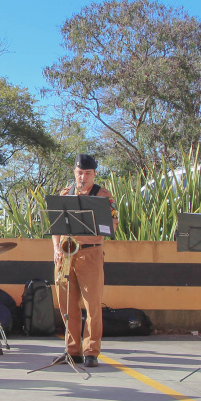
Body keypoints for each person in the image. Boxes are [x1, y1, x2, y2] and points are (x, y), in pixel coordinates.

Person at [52, 154, 118, 368]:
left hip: (90, 253)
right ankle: (73, 350)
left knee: (92, 306)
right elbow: (56, 225)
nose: (83, 177)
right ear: (74, 172)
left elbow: (113, 227)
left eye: (87, 174)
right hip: (65, 254)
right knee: (67, 305)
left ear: (94, 174)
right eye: (80, 173)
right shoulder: (65, 194)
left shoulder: (103, 196)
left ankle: (91, 351)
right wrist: (56, 249)